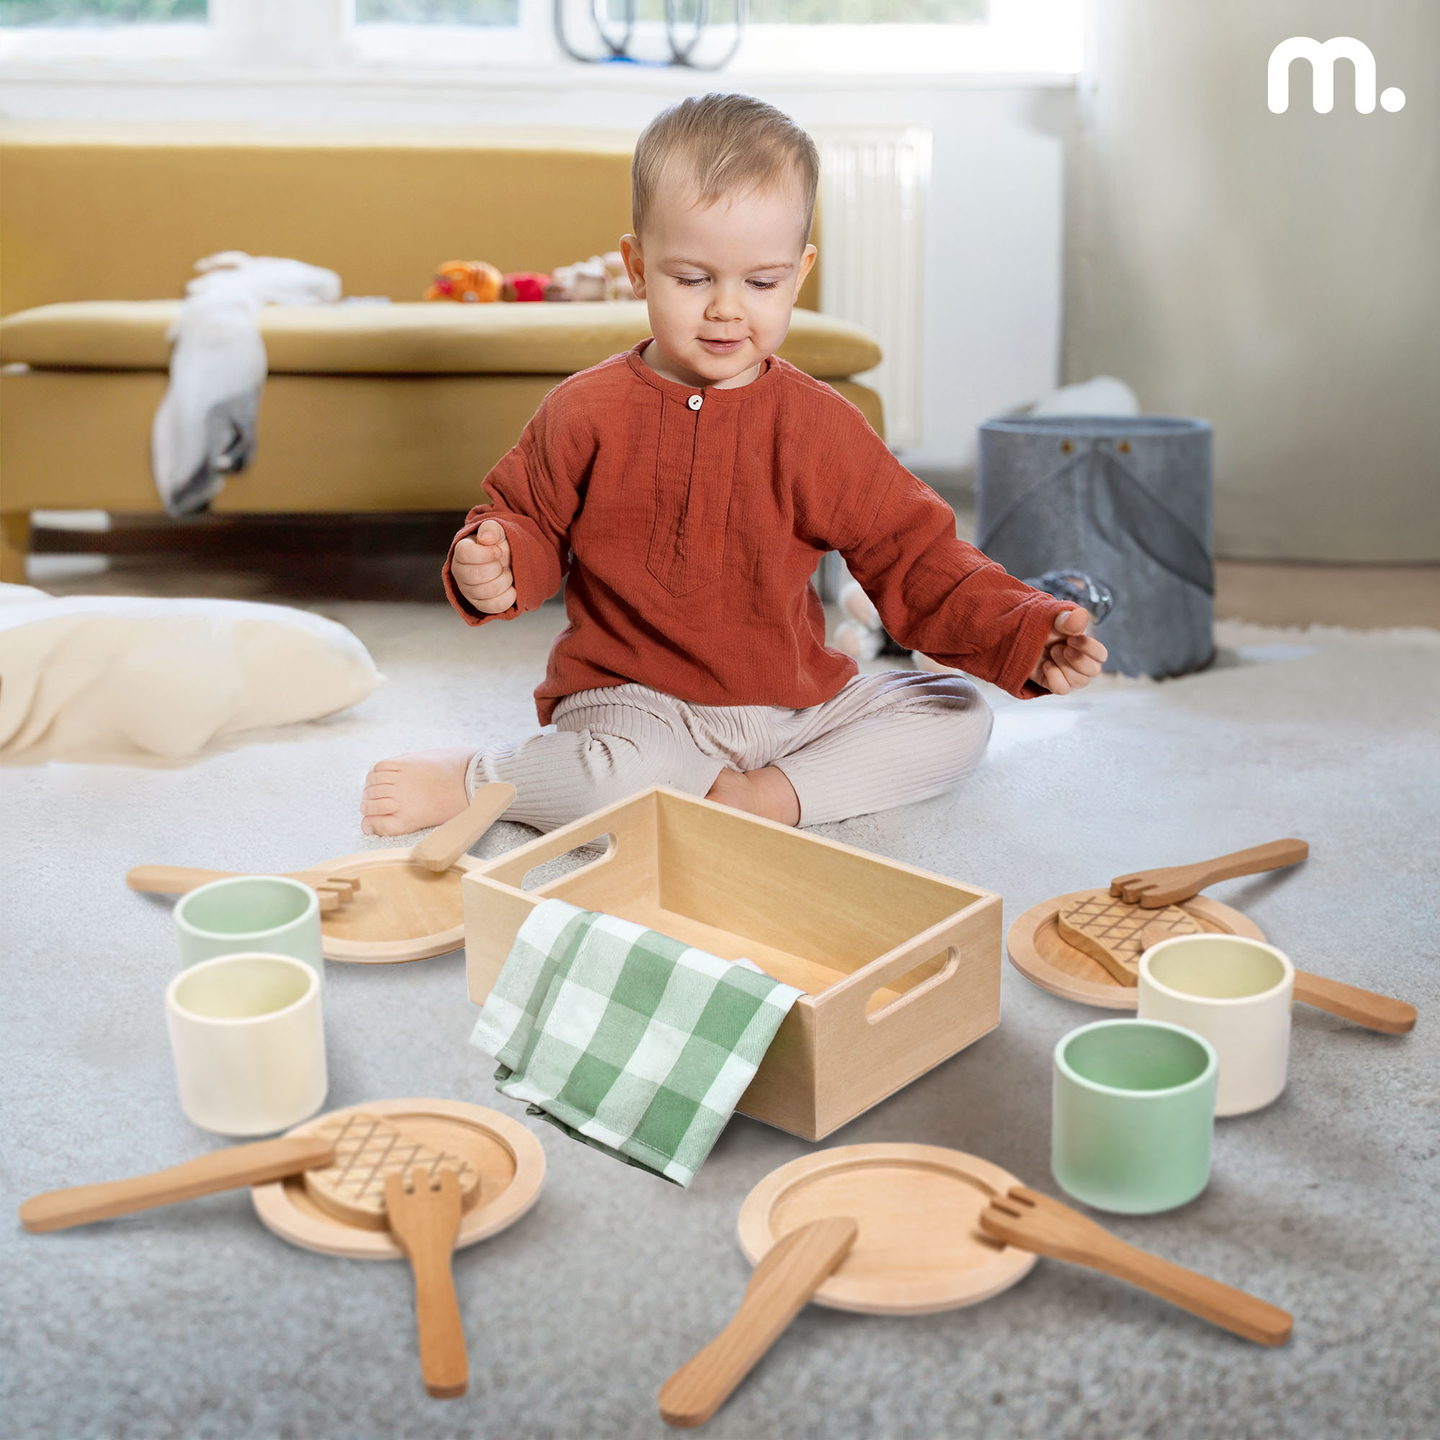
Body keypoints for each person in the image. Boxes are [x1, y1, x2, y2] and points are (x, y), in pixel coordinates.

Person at [361, 93, 1106, 838]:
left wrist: (1021, 631)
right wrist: (492, 562)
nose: (726, 309)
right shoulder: (585, 409)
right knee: (616, 774)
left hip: (793, 709)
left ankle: (769, 796)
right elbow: (525, 518)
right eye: (692, 279)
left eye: (761, 282)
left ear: (799, 273)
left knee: (956, 713)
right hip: (634, 705)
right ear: (637, 267)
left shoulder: (819, 426)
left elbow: (917, 555)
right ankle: (476, 778)